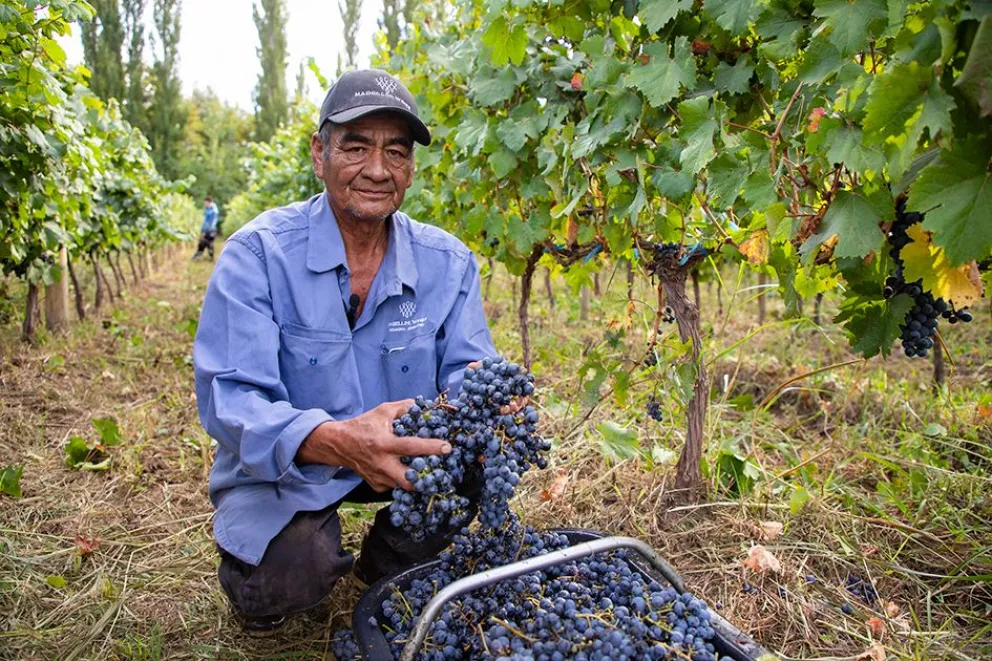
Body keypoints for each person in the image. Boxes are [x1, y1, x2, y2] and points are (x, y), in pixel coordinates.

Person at [192, 69, 499, 635]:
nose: (378, 170)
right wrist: (337, 441)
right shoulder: (256, 256)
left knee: (471, 468)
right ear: (319, 153)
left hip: (397, 456)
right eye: (356, 147)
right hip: (289, 466)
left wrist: (487, 396)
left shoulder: (448, 263)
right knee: (284, 578)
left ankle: (388, 564)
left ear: (410, 166)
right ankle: (284, 564)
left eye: (395, 152)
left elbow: (467, 368)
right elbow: (232, 399)